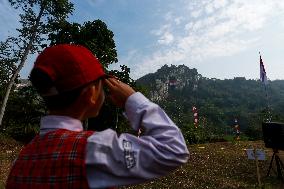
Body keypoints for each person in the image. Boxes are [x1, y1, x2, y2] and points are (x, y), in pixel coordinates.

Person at [6, 44, 189, 188]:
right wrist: (133, 100)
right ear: (92, 93)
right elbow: (173, 149)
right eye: (102, 84)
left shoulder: (21, 159)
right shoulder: (93, 149)